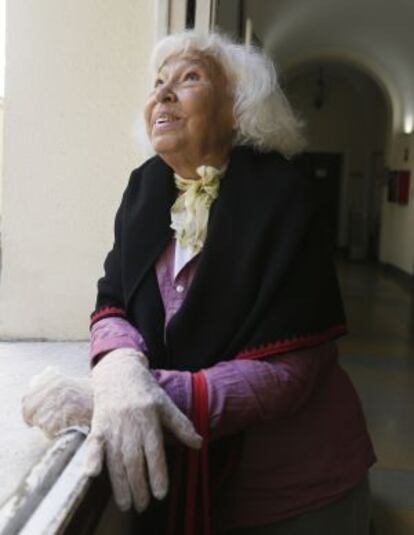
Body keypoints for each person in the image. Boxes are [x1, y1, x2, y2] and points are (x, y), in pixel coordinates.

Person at [22, 31, 376, 535]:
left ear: (238, 109)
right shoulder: (144, 188)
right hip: (201, 482)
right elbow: (113, 303)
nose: (163, 93)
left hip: (294, 490)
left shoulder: (285, 196)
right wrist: (119, 368)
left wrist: (131, 396)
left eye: (188, 78)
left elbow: (288, 374)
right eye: (158, 82)